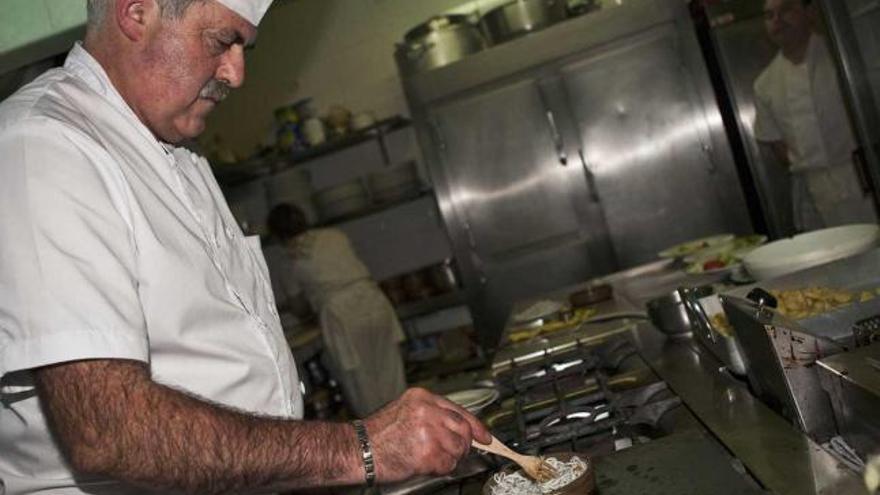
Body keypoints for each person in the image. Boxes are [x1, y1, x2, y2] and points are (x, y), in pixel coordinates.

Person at [0, 1, 490, 493]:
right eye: (220, 42)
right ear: (137, 12)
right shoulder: (45, 145)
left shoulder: (175, 150)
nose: (236, 73)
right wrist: (360, 447)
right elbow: (106, 429)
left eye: (243, 47)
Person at [266, 203, 407, 417]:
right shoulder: (334, 235)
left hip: (343, 317)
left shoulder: (290, 260)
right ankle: (408, 424)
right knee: (391, 373)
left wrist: (287, 307)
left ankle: (382, 442)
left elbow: (301, 309)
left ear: (276, 235)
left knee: (363, 385)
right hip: (373, 301)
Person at [753, 0, 877, 232]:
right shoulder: (765, 84)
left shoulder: (842, 54)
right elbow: (776, 143)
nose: (777, 21)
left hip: (865, 173)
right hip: (817, 189)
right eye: (769, 16)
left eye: (786, 10)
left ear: (809, 12)